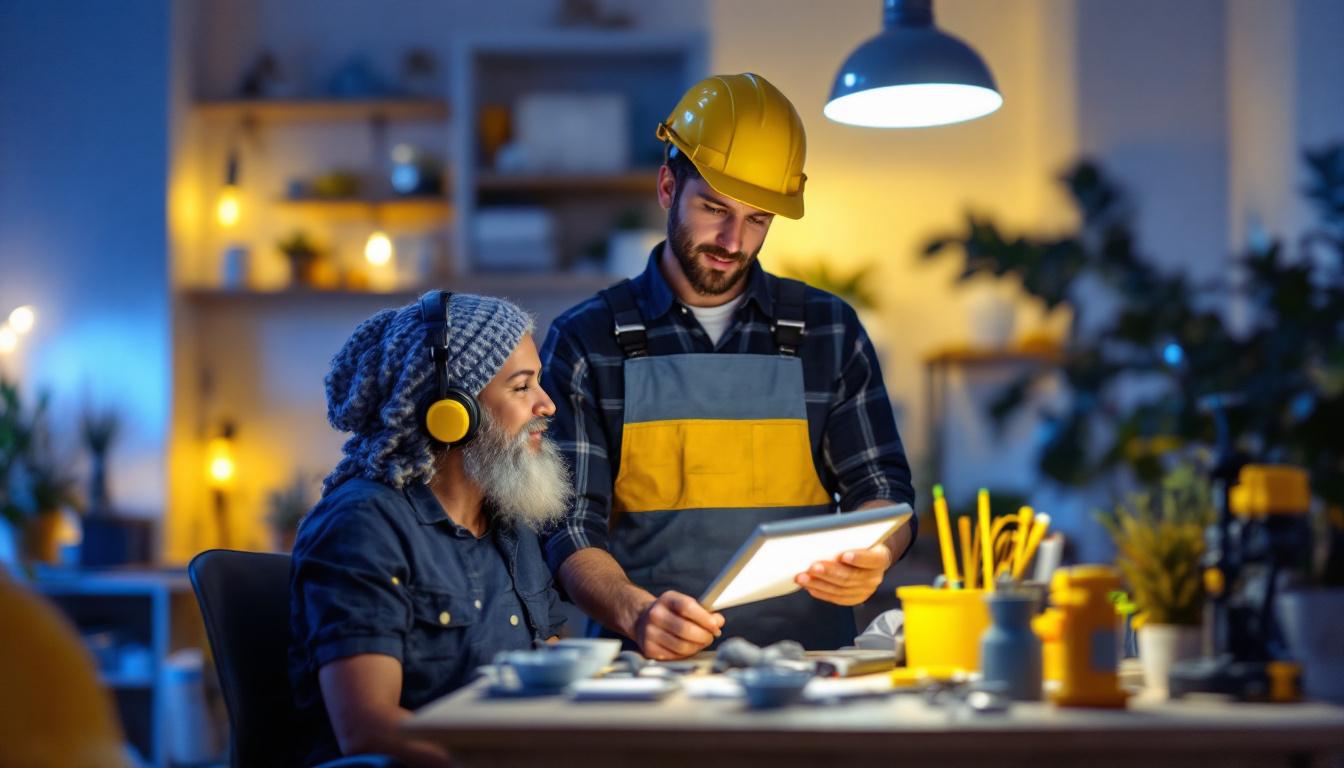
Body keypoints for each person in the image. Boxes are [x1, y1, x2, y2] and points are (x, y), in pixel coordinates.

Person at [540, 73, 917, 659]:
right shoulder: (587, 340)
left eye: (758, 219)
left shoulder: (829, 331)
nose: (733, 241)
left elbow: (883, 493)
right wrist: (635, 612)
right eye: (714, 208)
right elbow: (566, 527)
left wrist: (877, 554)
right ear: (668, 187)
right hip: (644, 679)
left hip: (811, 674)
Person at [289, 291, 571, 766]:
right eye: (522, 387)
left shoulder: (510, 521)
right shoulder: (362, 527)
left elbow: (554, 668)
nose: (547, 405)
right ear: (451, 412)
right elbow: (366, 728)